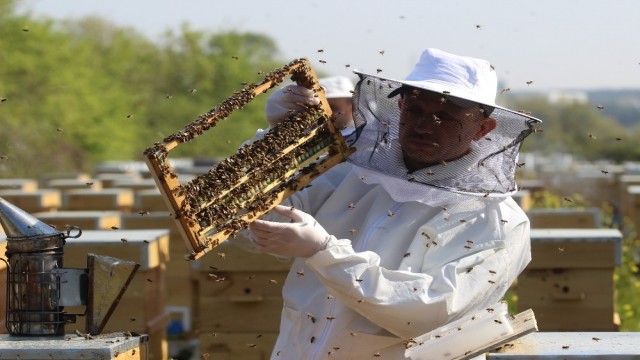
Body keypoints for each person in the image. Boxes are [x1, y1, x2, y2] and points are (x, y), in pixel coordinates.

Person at [237, 48, 542, 359]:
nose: (424, 125)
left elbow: (431, 313)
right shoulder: (349, 172)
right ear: (399, 109)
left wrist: (325, 253)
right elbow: (245, 223)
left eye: (445, 118)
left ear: (483, 128)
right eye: (415, 111)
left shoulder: (498, 222)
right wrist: (270, 143)